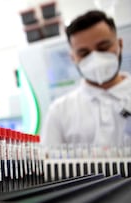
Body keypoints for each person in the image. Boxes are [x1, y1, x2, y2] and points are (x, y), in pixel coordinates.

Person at [41, 10, 131, 147]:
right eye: (84, 53)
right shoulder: (59, 111)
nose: (95, 58)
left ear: (120, 44)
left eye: (103, 47)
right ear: (73, 58)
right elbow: (48, 163)